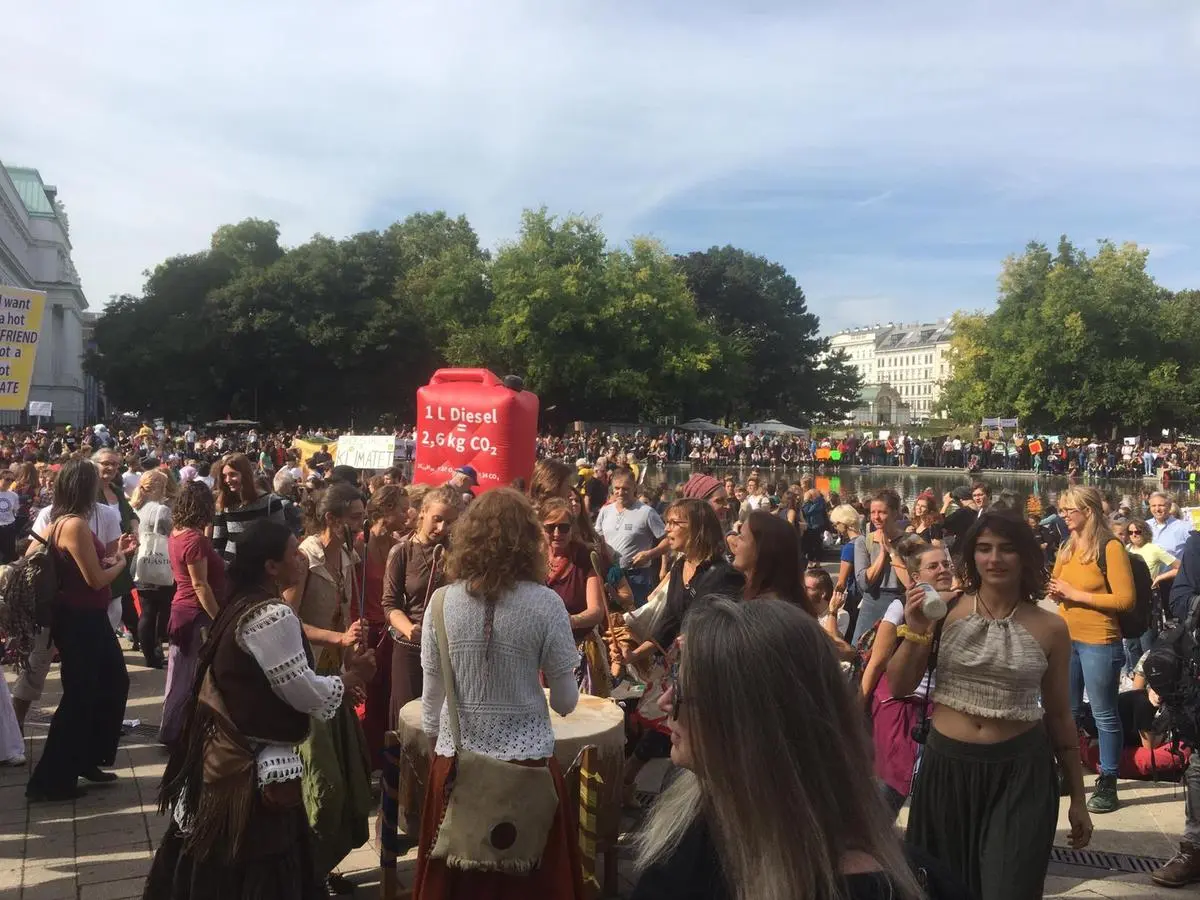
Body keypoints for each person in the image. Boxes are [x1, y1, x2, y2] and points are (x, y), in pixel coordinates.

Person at [631, 598, 943, 900]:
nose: (665, 701)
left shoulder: (872, 887)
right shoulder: (695, 816)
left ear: (746, 722)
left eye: (682, 690)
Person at [145, 520, 376, 900]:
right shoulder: (271, 615)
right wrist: (351, 678)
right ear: (271, 566)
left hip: (226, 757)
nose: (300, 558)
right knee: (258, 867)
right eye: (292, 553)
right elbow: (302, 692)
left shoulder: (241, 602)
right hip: (248, 769)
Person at [889, 510, 1092, 900]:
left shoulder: (1051, 627)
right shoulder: (943, 610)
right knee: (944, 889)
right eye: (984, 548)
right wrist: (915, 630)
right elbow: (899, 685)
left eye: (1006, 549)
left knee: (1009, 887)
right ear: (971, 556)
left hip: (1021, 773)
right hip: (947, 770)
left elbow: (1060, 715)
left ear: (1025, 556)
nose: (994, 558)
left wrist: (1079, 800)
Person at [412, 488, 585, 899]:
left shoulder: (441, 602)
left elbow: (431, 705)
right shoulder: (546, 604)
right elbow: (565, 702)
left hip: (457, 764)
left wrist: (443, 752)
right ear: (529, 541)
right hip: (527, 765)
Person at [25, 459, 136, 801]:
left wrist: (108, 559)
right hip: (80, 620)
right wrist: (120, 562)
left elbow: (44, 558)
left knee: (110, 683)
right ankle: (52, 780)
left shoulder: (58, 523)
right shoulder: (72, 524)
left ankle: (84, 759)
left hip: (83, 617)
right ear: (83, 487)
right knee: (81, 695)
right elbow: (95, 580)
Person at [622, 499, 743, 807]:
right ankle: (634, 783)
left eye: (676, 523)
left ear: (698, 529)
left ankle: (679, 800)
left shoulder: (724, 576)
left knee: (685, 734)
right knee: (668, 726)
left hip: (706, 671)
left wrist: (694, 639)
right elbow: (669, 620)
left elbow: (720, 627)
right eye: (668, 522)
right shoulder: (679, 567)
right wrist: (635, 655)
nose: (668, 529)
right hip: (679, 667)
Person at [284, 482, 373, 893]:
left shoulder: (349, 556)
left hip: (336, 680)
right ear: (330, 518)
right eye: (354, 518)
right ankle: (304, 872)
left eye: (362, 516)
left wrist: (353, 660)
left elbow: (345, 618)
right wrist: (338, 638)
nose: (360, 524)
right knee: (322, 784)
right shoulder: (304, 557)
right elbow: (286, 621)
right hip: (308, 682)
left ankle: (320, 867)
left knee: (351, 780)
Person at [1049, 485, 1136, 813]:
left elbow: (1125, 600)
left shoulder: (1110, 547)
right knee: (1066, 712)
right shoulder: (1067, 545)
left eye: (1068, 510)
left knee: (1104, 714)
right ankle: (1066, 773)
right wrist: (1055, 591)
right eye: (1062, 510)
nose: (1063, 516)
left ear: (1087, 511)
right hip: (1066, 639)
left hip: (1099, 640)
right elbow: (1057, 582)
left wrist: (1075, 594)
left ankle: (1108, 780)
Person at [382, 485, 461, 729]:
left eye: (450, 522)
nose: (442, 528)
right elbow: (390, 605)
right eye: (437, 519)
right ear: (423, 512)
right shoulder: (402, 551)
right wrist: (409, 628)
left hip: (448, 648)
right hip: (410, 648)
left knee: (444, 721)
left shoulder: (458, 553)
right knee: (409, 720)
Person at [160, 482, 225, 747]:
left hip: (182, 610)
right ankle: (176, 733)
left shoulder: (177, 534)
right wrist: (219, 618)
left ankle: (174, 730)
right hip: (196, 614)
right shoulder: (194, 540)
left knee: (179, 675)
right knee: (189, 678)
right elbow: (200, 585)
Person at [355, 484, 411, 768]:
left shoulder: (397, 545)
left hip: (389, 632)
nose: (407, 515)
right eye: (402, 509)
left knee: (386, 699)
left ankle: (381, 761)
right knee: (365, 699)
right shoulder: (358, 544)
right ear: (386, 509)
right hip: (363, 632)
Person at [540, 498, 608, 696]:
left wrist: (567, 621)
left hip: (577, 653)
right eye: (550, 527)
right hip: (540, 652)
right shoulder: (532, 558)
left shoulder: (585, 557)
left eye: (563, 528)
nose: (557, 533)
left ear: (572, 529)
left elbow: (596, 611)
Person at [596, 467, 665, 607]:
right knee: (614, 617)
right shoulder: (605, 511)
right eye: (617, 488)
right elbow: (598, 538)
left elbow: (669, 540)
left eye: (625, 488)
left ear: (634, 488)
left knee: (637, 615)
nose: (620, 492)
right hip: (612, 575)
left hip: (637, 576)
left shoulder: (647, 512)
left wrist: (650, 554)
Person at [131, 469, 175, 668]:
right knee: (161, 611)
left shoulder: (135, 507)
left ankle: (149, 655)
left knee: (146, 611)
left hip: (140, 562)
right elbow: (170, 534)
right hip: (160, 562)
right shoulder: (161, 510)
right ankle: (156, 651)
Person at [211, 452, 287, 566]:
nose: (227, 480)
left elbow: (280, 538)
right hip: (231, 568)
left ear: (245, 474)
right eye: (224, 476)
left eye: (232, 474)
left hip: (261, 569)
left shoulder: (270, 502)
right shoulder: (224, 503)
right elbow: (218, 542)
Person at [852, 488, 906, 643]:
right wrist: (882, 553)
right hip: (872, 604)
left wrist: (892, 552)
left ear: (895, 513)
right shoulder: (863, 542)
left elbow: (913, 582)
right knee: (860, 650)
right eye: (872, 512)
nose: (876, 517)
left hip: (900, 604)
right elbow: (863, 582)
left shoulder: (911, 541)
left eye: (882, 512)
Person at [731, 510, 804, 604]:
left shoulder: (763, 607)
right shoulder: (784, 599)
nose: (734, 542)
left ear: (761, 550)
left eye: (741, 537)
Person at [1147, 491, 1190, 557]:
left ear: (1169, 507)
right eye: (1153, 506)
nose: (1157, 509)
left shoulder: (1184, 527)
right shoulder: (1144, 526)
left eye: (1161, 505)